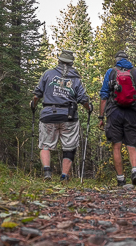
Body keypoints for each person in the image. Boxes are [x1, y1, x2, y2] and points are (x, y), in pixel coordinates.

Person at [31, 50, 92, 181]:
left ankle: (47, 171)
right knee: (69, 147)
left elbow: (37, 95)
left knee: (45, 145)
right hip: (69, 116)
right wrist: (89, 109)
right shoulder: (76, 78)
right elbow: (83, 99)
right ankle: (64, 176)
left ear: (59, 60)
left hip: (48, 115)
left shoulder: (48, 74)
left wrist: (33, 105)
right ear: (71, 63)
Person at [98, 51, 136, 186]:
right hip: (132, 112)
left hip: (114, 112)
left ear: (116, 60)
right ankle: (135, 171)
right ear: (127, 60)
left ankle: (121, 179)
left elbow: (104, 96)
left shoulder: (111, 72)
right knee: (131, 144)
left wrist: (101, 117)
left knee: (116, 146)